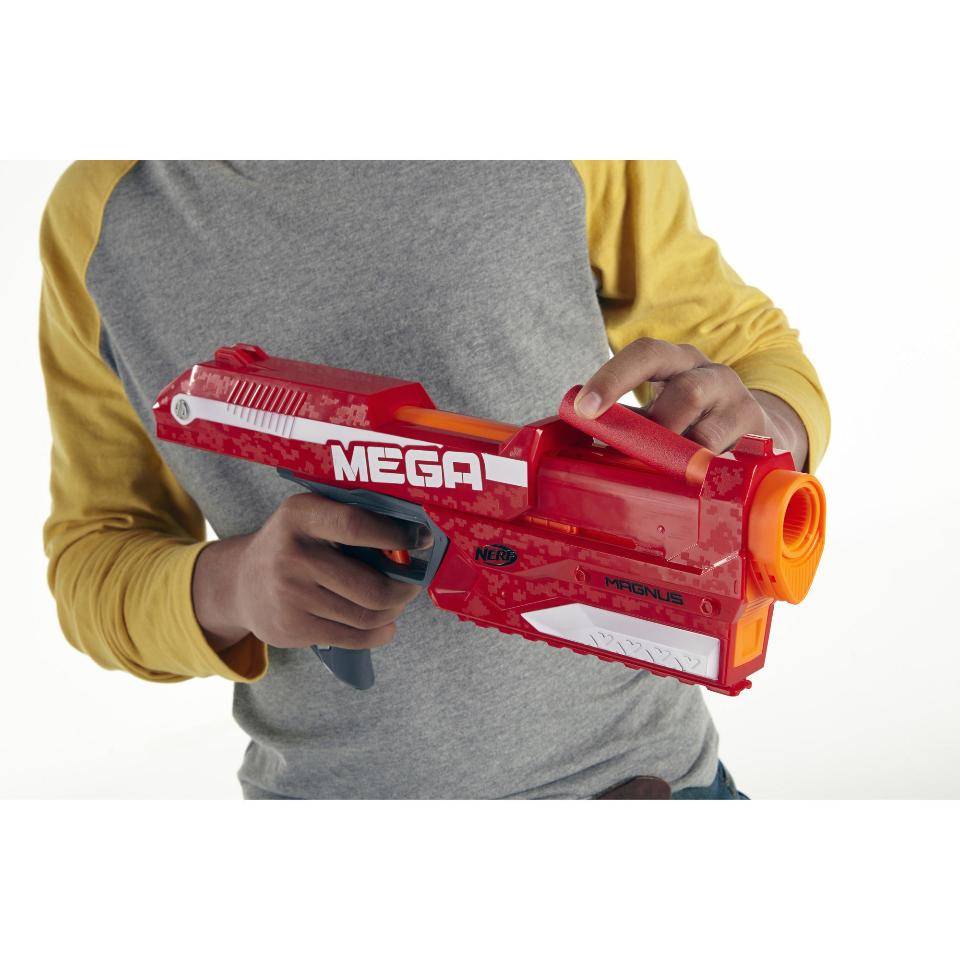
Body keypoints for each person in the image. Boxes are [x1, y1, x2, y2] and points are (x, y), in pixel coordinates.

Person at [39, 161, 828, 799]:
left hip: (638, 786)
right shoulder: (103, 217)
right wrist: (232, 586)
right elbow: (94, 551)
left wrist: (761, 424)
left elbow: (750, 346)